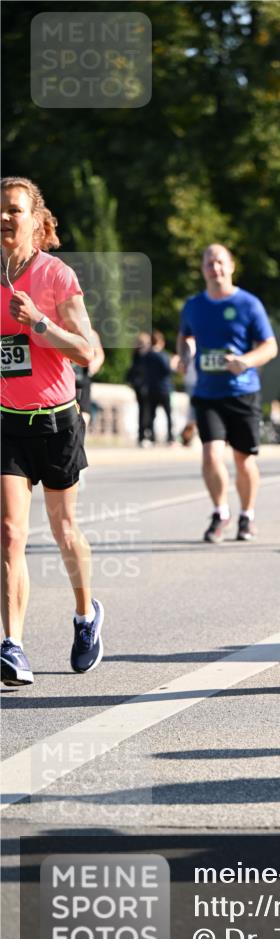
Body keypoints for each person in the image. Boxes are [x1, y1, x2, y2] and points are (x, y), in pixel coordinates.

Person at [1, 176, 104, 686]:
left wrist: (39, 323)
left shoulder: (56, 275)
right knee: (9, 533)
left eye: (13, 210)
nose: (3, 218)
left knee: (64, 531)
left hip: (58, 420)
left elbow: (85, 350)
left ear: (36, 223)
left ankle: (86, 615)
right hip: (7, 423)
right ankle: (12, 644)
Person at [177, 244, 278, 542]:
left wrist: (245, 361)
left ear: (231, 266)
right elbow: (185, 335)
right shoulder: (193, 305)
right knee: (210, 455)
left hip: (242, 392)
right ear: (202, 268)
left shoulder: (249, 304)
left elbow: (270, 346)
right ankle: (220, 512)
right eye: (209, 263)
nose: (215, 268)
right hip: (208, 393)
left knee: (243, 460)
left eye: (220, 262)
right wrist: (183, 355)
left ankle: (247, 514)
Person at [143, 329, 174, 444]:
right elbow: (167, 370)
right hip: (164, 388)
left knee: (151, 415)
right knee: (168, 414)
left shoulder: (147, 356)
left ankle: (151, 436)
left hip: (151, 388)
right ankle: (170, 437)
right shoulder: (163, 355)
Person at [73, 328, 105, 429]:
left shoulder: (90, 333)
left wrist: (92, 366)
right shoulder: (91, 333)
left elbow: (99, 355)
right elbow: (100, 355)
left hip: (82, 376)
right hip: (70, 376)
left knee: (84, 409)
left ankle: (80, 433)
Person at [126, 331, 152, 446]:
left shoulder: (148, 355)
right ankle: (143, 435)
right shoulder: (138, 356)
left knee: (147, 411)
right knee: (144, 411)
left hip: (148, 386)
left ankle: (147, 434)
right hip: (141, 386)